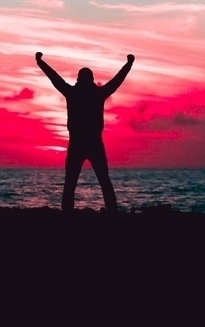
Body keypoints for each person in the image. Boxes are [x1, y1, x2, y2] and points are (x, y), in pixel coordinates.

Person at [35, 51, 135, 212]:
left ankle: (70, 214)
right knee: (102, 181)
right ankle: (112, 213)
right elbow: (117, 80)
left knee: (72, 184)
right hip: (90, 143)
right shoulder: (96, 93)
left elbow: (54, 78)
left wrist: (40, 62)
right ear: (92, 80)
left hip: (81, 143)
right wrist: (129, 64)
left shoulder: (75, 92)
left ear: (78, 79)